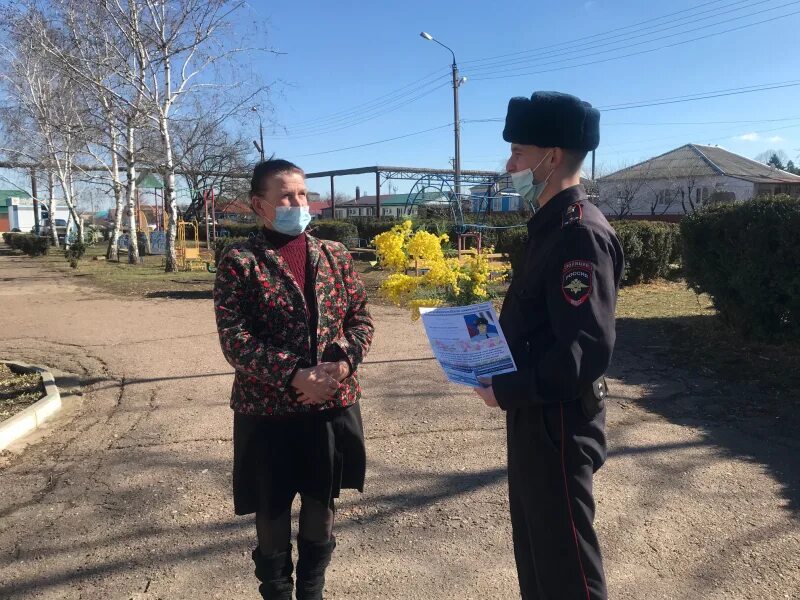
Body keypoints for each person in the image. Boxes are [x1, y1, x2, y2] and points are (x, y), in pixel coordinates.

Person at [473, 92, 624, 600]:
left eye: (518, 151)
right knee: (537, 557)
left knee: (566, 569)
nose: (510, 164)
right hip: (535, 415)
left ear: (552, 157)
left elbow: (582, 351)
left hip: (557, 421)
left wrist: (511, 389)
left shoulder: (578, 232)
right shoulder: (550, 226)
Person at [213, 159, 374, 600]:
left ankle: (312, 590)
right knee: (273, 504)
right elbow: (235, 339)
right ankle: (278, 591)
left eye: (302, 194)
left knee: (322, 500)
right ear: (258, 205)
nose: (298, 203)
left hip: (330, 404)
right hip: (268, 411)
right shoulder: (240, 260)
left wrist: (342, 364)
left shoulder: (334, 255)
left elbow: (361, 319)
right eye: (286, 196)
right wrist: (292, 375)